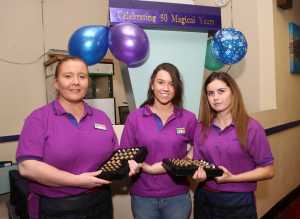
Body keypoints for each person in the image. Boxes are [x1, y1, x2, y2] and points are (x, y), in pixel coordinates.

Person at [16, 57, 139, 219]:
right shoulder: (39, 119)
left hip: (100, 202)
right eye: (68, 76)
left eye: (82, 76)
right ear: (56, 83)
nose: (76, 82)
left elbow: (114, 154)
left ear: (88, 82)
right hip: (56, 207)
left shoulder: (101, 118)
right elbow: (27, 167)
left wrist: (126, 163)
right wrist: (76, 181)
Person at [192, 72, 275, 219]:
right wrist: (199, 175)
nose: (215, 97)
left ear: (233, 93)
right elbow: (199, 164)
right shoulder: (201, 128)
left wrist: (232, 178)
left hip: (238, 202)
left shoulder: (251, 127)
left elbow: (268, 170)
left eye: (221, 91)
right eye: (210, 93)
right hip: (205, 199)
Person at [120, 63, 198, 219]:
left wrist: (185, 159)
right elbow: (125, 154)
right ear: (152, 84)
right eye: (161, 82)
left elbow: (200, 144)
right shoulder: (135, 117)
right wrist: (134, 165)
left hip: (177, 197)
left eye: (171, 84)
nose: (166, 88)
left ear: (177, 88)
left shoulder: (188, 118)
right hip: (143, 197)